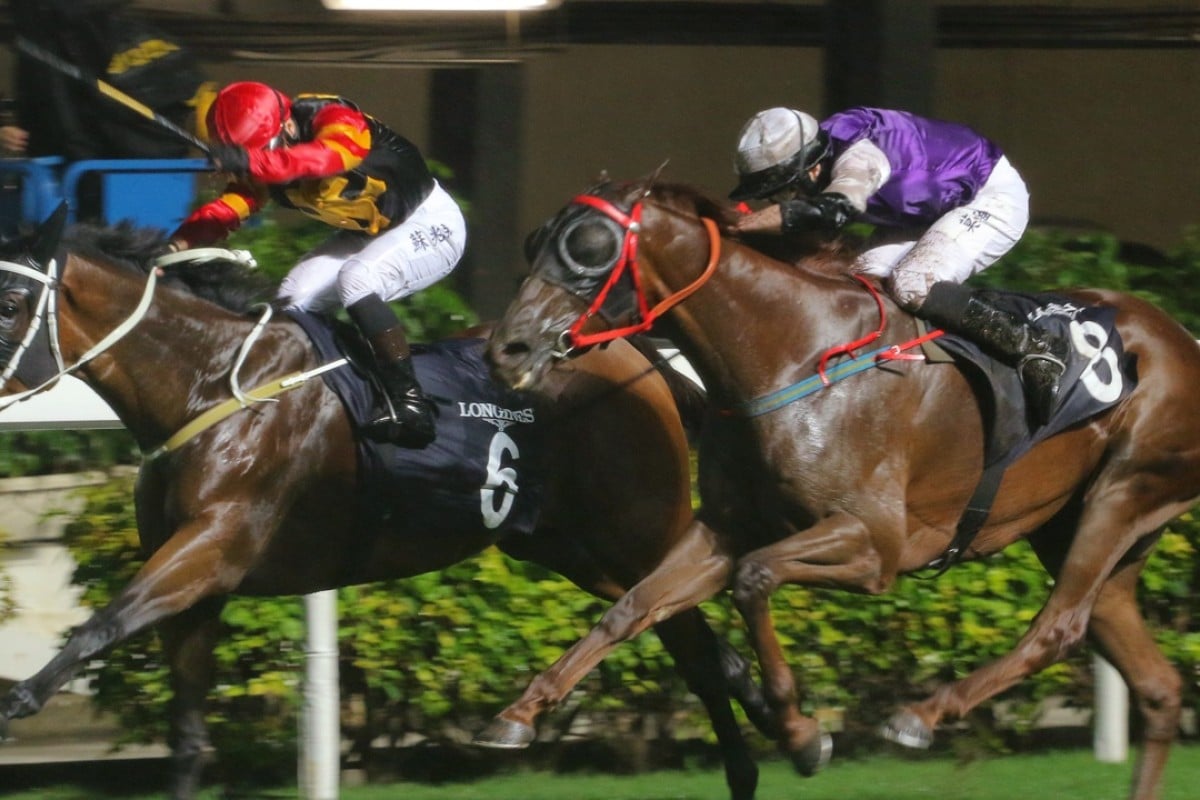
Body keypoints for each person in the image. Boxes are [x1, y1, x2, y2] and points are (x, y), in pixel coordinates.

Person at [168, 81, 467, 449]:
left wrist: (251, 160)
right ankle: (318, 396)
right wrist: (173, 247)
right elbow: (229, 209)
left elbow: (328, 157)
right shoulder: (267, 154)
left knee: (356, 279)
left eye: (264, 152)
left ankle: (410, 405)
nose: (258, 167)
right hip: (369, 233)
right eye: (254, 156)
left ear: (289, 127)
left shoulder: (336, 119)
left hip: (429, 222)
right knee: (292, 302)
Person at [728, 106, 1066, 425]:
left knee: (913, 283)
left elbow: (833, 211)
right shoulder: (823, 149)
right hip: (926, 206)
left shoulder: (859, 159)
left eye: (782, 190)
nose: (778, 200)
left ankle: (1034, 346)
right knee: (858, 285)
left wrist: (744, 226)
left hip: (987, 195)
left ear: (812, 169)